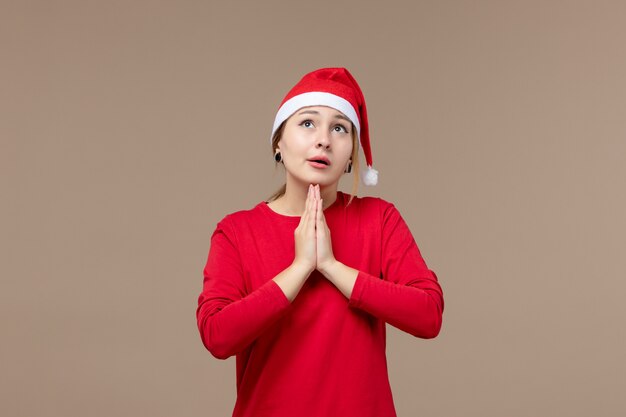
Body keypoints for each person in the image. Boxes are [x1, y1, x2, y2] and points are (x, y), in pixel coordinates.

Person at [196, 67, 444, 417]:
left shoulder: (380, 220)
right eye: (308, 123)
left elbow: (428, 315)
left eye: (339, 128)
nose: (324, 139)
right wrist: (299, 268)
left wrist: (331, 266)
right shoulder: (237, 231)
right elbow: (217, 336)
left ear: (350, 156)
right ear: (279, 143)